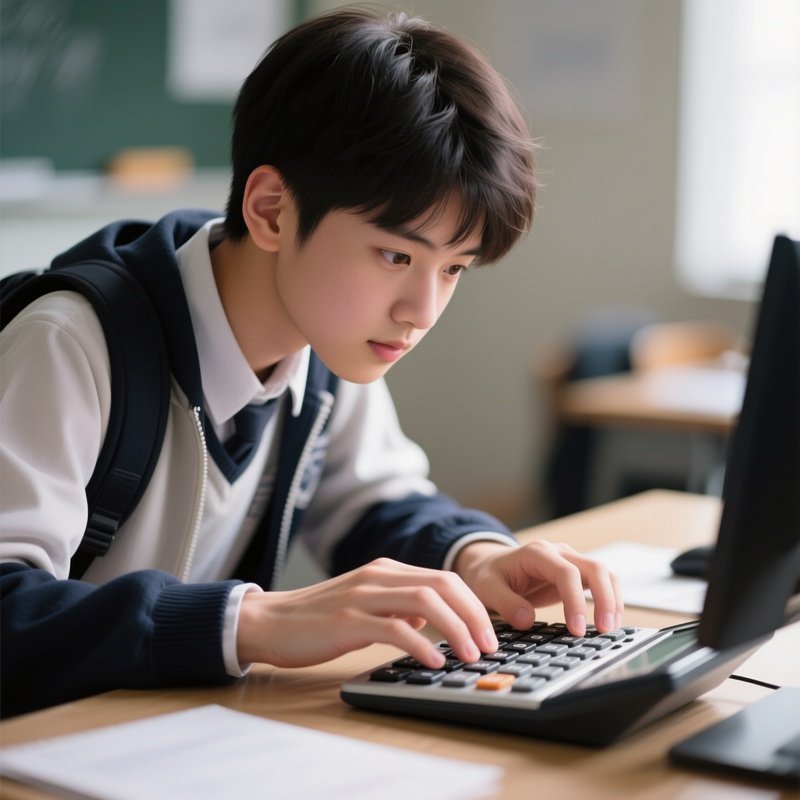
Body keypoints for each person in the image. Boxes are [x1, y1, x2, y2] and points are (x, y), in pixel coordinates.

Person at [0, 7, 622, 718]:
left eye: (454, 268)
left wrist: (475, 557)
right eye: (395, 255)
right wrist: (258, 622)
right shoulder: (69, 344)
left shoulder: (327, 345)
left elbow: (372, 502)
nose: (422, 311)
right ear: (271, 210)